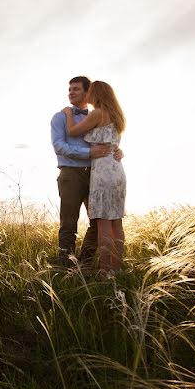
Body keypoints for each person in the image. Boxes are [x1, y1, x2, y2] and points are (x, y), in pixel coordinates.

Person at [50, 76, 122, 268]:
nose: (71, 92)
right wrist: (89, 152)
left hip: (94, 174)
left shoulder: (96, 115)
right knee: (69, 223)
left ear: (87, 92)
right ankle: (64, 267)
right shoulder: (60, 117)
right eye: (69, 89)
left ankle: (85, 262)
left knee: (97, 221)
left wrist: (117, 150)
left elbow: (106, 142)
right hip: (71, 174)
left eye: (76, 89)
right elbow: (59, 146)